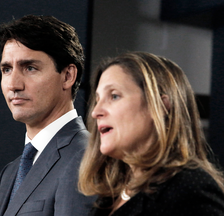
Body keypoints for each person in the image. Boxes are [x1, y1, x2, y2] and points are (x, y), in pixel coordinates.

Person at [78, 51, 224, 216]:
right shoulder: (109, 195)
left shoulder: (190, 189)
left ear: (161, 106)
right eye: (97, 101)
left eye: (114, 96)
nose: (95, 112)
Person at [0, 14, 95, 216]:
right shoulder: (10, 173)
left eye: (30, 68)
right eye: (6, 69)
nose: (13, 85)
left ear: (67, 76)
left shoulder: (86, 158)